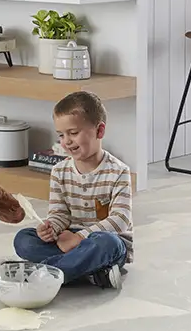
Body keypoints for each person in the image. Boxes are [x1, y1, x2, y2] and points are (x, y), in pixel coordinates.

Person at [13, 91, 133, 290]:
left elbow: (120, 220)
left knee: (108, 244)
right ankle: (90, 273)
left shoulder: (119, 171)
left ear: (99, 131)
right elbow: (59, 213)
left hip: (102, 241)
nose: (66, 141)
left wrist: (80, 238)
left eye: (73, 133)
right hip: (67, 239)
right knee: (24, 240)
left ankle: (46, 273)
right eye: (61, 135)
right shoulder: (59, 171)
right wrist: (51, 228)